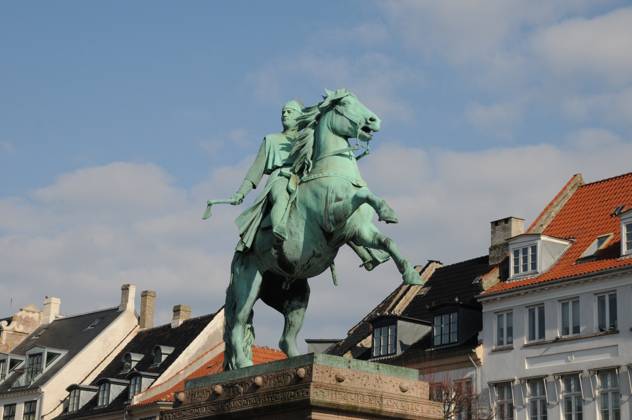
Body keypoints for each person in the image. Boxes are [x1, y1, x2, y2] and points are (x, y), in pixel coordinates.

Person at [231, 100, 302, 252]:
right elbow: (256, 170)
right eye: (283, 111)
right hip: (280, 177)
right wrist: (241, 193)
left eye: (290, 111)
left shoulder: (307, 139)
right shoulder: (271, 140)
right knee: (281, 195)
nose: (284, 114)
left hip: (302, 177)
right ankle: (279, 229)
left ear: (300, 116)